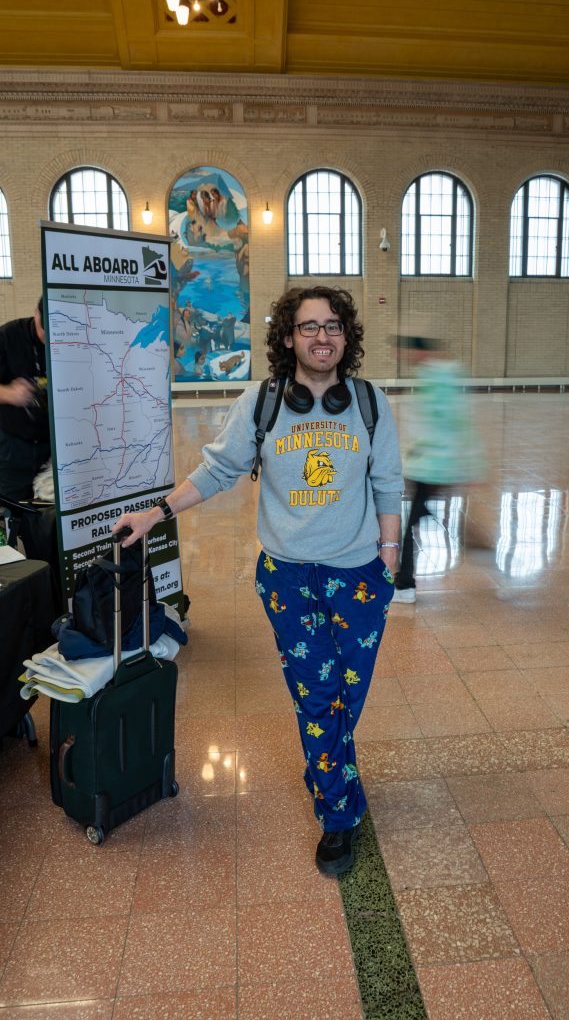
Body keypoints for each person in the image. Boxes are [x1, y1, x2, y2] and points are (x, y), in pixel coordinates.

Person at [113, 286, 403, 876]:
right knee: (318, 697)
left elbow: (388, 481)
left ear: (346, 337)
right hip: (289, 578)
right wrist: (154, 513)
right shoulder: (263, 402)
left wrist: (391, 554)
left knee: (347, 695)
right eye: (308, 327)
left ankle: (325, 763)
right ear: (289, 338)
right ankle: (338, 814)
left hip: (359, 578)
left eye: (333, 326)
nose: (321, 337)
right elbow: (217, 469)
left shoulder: (370, 402)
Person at [393, 336, 487, 603]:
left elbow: (453, 422)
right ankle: (405, 581)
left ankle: (405, 585)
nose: (405, 357)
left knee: (409, 525)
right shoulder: (440, 375)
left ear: (419, 352)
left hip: (432, 466)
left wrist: (470, 465)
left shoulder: (436, 380)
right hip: (432, 465)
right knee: (415, 517)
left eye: (407, 352)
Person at [0, 297, 50, 501]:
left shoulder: (71, 338)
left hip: (52, 448)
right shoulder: (7, 337)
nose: (48, 338)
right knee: (11, 509)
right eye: (44, 330)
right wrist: (8, 393)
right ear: (36, 314)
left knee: (46, 515)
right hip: (14, 447)